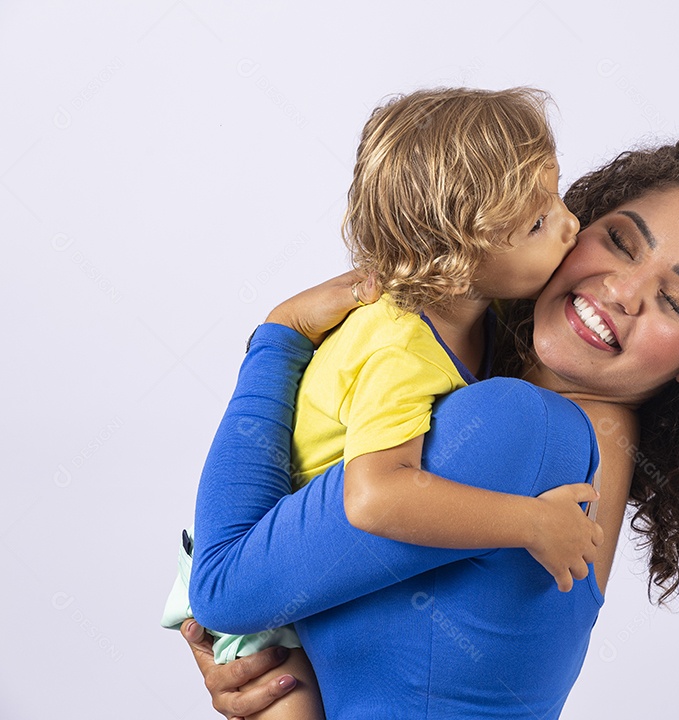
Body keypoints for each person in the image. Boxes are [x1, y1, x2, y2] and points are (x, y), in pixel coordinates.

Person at [185, 134, 679, 719]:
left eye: (674, 300)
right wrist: (265, 665)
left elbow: (223, 585)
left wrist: (278, 335)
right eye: (619, 241)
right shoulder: (545, 433)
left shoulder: (520, 430)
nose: (621, 291)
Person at [163, 87, 594, 719]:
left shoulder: (489, 311)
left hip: (316, 561)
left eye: (555, 197)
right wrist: (532, 523)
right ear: (457, 256)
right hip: (259, 573)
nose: (569, 223)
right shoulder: (401, 345)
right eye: (536, 223)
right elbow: (374, 497)